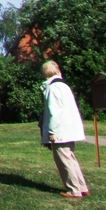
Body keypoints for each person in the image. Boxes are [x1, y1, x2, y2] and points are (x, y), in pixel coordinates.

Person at [39, 60, 90, 198]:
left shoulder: (52, 88)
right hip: (70, 129)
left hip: (60, 131)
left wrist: (51, 131)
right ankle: (82, 186)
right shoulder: (65, 87)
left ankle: (74, 190)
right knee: (71, 158)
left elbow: (54, 112)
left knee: (64, 160)